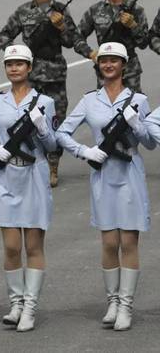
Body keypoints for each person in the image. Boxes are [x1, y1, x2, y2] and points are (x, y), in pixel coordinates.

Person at [57, 42, 154, 331]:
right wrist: (83, 151)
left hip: (130, 172)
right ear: (98, 65)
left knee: (129, 242)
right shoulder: (89, 101)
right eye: (104, 60)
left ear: (124, 65)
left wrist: (137, 125)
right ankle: (112, 301)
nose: (108, 64)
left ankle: (126, 305)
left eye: (114, 60)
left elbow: (150, 142)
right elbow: (61, 132)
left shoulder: (138, 99)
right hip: (103, 174)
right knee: (109, 242)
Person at [0, 45, 57, 332]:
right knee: (12, 246)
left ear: (29, 68)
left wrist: (42, 129)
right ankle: (16, 303)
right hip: (7, 174)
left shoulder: (45, 102)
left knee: (33, 244)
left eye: (20, 64)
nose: (14, 69)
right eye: (10, 64)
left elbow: (53, 145)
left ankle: (30, 306)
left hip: (34, 173)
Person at [0, 0, 82, 188]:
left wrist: (61, 26)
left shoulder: (61, 10)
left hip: (54, 72)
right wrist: (18, 55)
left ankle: (53, 164)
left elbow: (71, 41)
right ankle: (30, 161)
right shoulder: (23, 11)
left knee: (55, 119)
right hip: (30, 75)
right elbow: (3, 36)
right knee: (26, 118)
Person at [75, 0, 149, 93]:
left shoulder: (137, 10)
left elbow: (143, 43)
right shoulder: (95, 10)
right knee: (105, 109)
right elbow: (76, 36)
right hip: (105, 69)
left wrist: (133, 25)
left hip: (130, 71)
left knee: (133, 109)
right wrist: (90, 53)